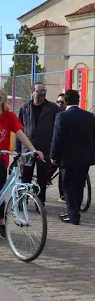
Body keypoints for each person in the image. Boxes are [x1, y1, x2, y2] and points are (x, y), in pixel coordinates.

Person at [0, 88, 42, 239]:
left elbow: (21, 134)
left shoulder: (10, 117)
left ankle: (0, 223)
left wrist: (34, 150)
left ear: (0, 100)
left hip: (2, 159)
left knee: (1, 191)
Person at [50, 89, 95, 225]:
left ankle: (73, 215)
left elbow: (57, 138)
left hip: (67, 158)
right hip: (85, 157)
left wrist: (53, 155)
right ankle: (74, 212)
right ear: (78, 100)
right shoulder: (89, 116)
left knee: (68, 186)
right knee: (79, 185)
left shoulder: (62, 116)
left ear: (66, 101)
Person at [15, 83, 59, 204]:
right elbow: (18, 129)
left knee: (42, 178)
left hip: (45, 148)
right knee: (25, 177)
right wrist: (17, 150)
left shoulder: (53, 108)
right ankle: (22, 201)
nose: (42, 94)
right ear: (32, 93)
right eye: (39, 91)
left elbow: (57, 128)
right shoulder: (25, 108)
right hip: (27, 149)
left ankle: (40, 202)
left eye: (44, 91)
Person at [55, 93, 67, 201]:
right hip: (54, 145)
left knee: (62, 171)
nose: (59, 104)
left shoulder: (67, 115)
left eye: (62, 102)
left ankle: (62, 194)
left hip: (66, 148)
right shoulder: (55, 113)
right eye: (58, 102)